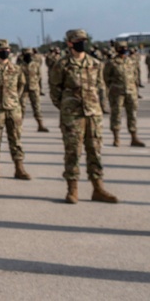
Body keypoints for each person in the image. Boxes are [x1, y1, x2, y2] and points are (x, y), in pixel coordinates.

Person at [48, 29, 118, 204]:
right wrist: (66, 107)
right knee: (73, 152)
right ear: (70, 43)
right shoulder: (62, 64)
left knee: (95, 152)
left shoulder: (95, 63)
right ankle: (72, 189)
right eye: (78, 40)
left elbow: (101, 87)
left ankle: (98, 188)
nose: (82, 43)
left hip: (93, 115)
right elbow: (55, 90)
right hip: (72, 116)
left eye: (84, 40)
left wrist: (100, 108)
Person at [0, 40, 31, 180]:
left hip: (13, 109)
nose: (5, 52)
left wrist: (14, 99)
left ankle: (19, 168)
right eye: (2, 49)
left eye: (7, 49)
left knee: (16, 139)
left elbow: (21, 86)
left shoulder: (16, 69)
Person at [104, 41, 144, 147]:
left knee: (132, 114)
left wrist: (134, 88)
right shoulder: (111, 62)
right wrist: (114, 87)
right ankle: (116, 138)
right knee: (116, 115)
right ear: (117, 49)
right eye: (121, 47)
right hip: (117, 93)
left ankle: (134, 137)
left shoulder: (130, 61)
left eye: (125, 47)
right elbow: (106, 78)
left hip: (131, 92)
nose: (124, 49)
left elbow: (135, 76)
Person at [19, 47, 48, 131]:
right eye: (26, 54)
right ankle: (19, 125)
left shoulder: (35, 64)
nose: (28, 56)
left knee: (37, 107)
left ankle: (40, 125)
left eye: (30, 54)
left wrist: (35, 83)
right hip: (23, 89)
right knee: (21, 107)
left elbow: (39, 76)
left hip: (34, 88)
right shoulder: (20, 65)